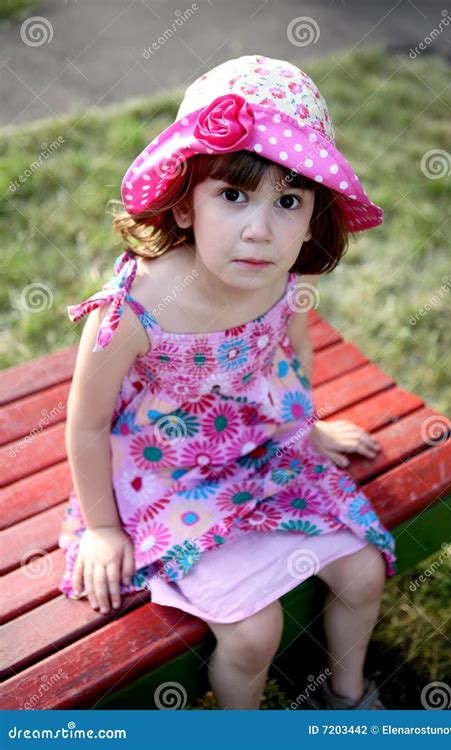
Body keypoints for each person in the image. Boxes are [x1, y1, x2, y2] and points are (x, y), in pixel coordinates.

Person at [58, 54, 397, 711]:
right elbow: (87, 423)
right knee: (252, 633)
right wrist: (102, 529)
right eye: (233, 194)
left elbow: (291, 352)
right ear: (184, 206)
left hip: (258, 449)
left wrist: (305, 426)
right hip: (166, 478)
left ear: (312, 217)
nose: (260, 231)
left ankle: (348, 701)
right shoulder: (133, 308)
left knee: (360, 571)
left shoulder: (285, 279)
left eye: (289, 201)